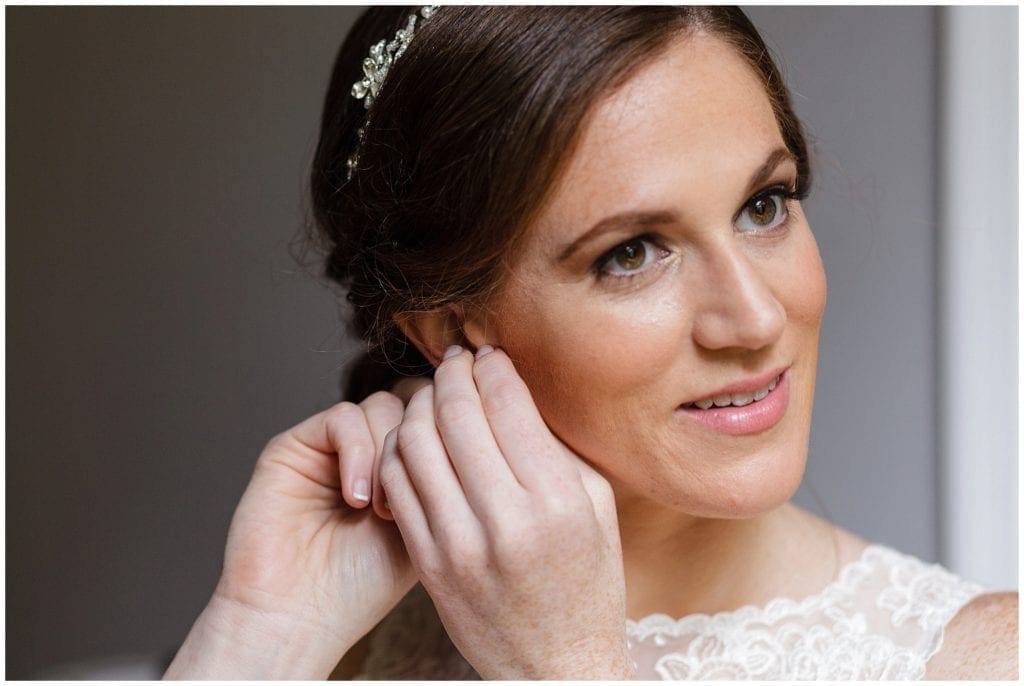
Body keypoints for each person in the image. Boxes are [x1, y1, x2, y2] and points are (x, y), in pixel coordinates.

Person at [164, 6, 1018, 680]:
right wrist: (258, 638)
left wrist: (564, 675)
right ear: (450, 329)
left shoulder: (978, 663)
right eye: (632, 253)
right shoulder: (340, 650)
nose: (756, 318)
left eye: (765, 205)